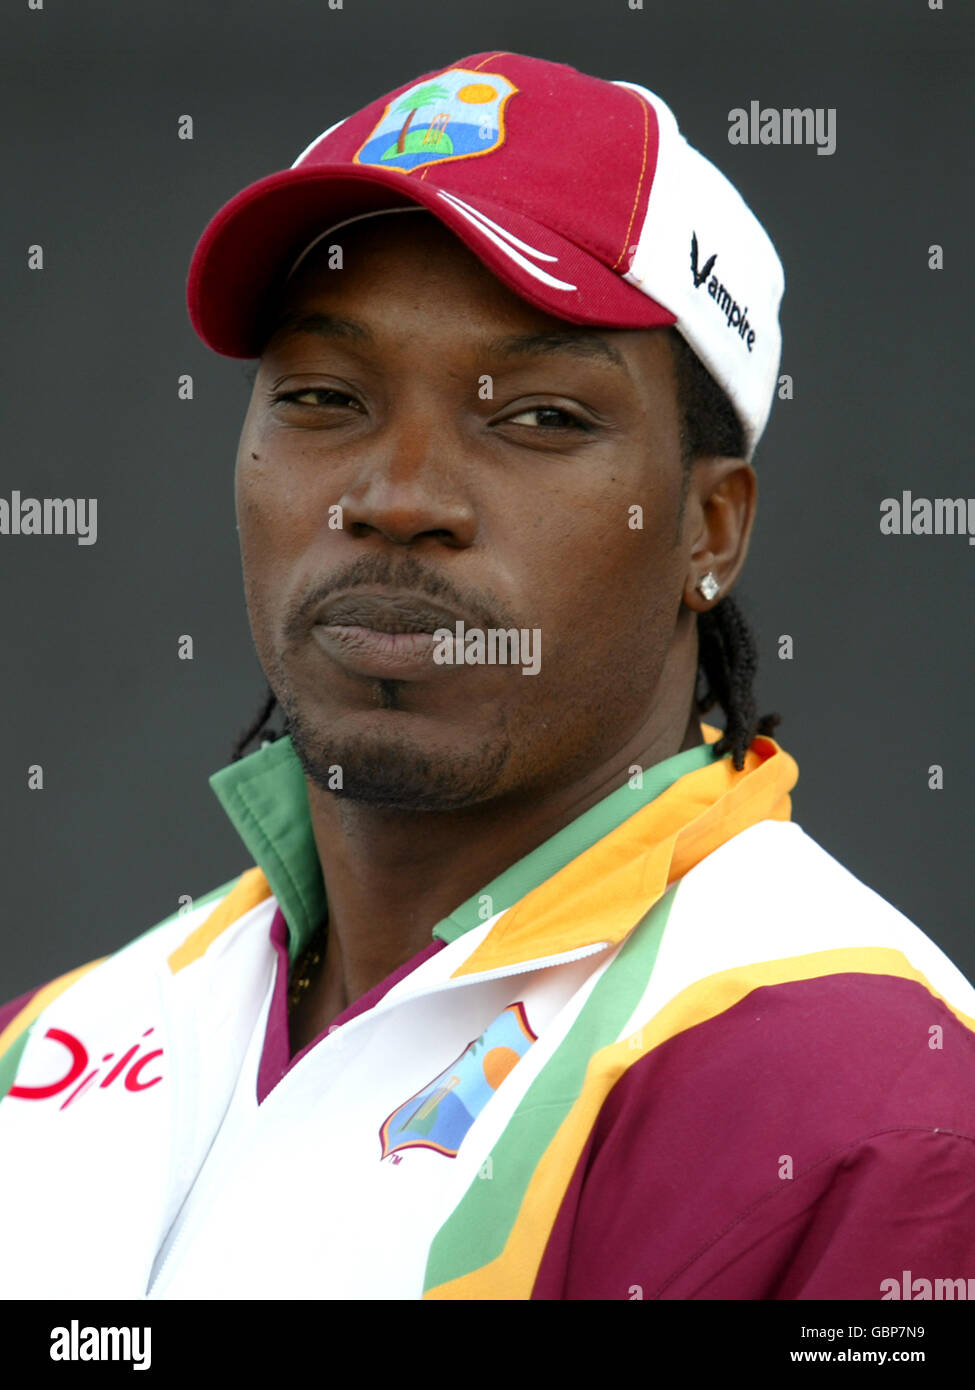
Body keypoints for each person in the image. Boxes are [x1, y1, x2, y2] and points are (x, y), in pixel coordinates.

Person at [2, 51, 974, 1302]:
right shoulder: (52, 1047)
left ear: (709, 529)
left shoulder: (865, 1112)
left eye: (538, 418)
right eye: (322, 395)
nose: (397, 496)